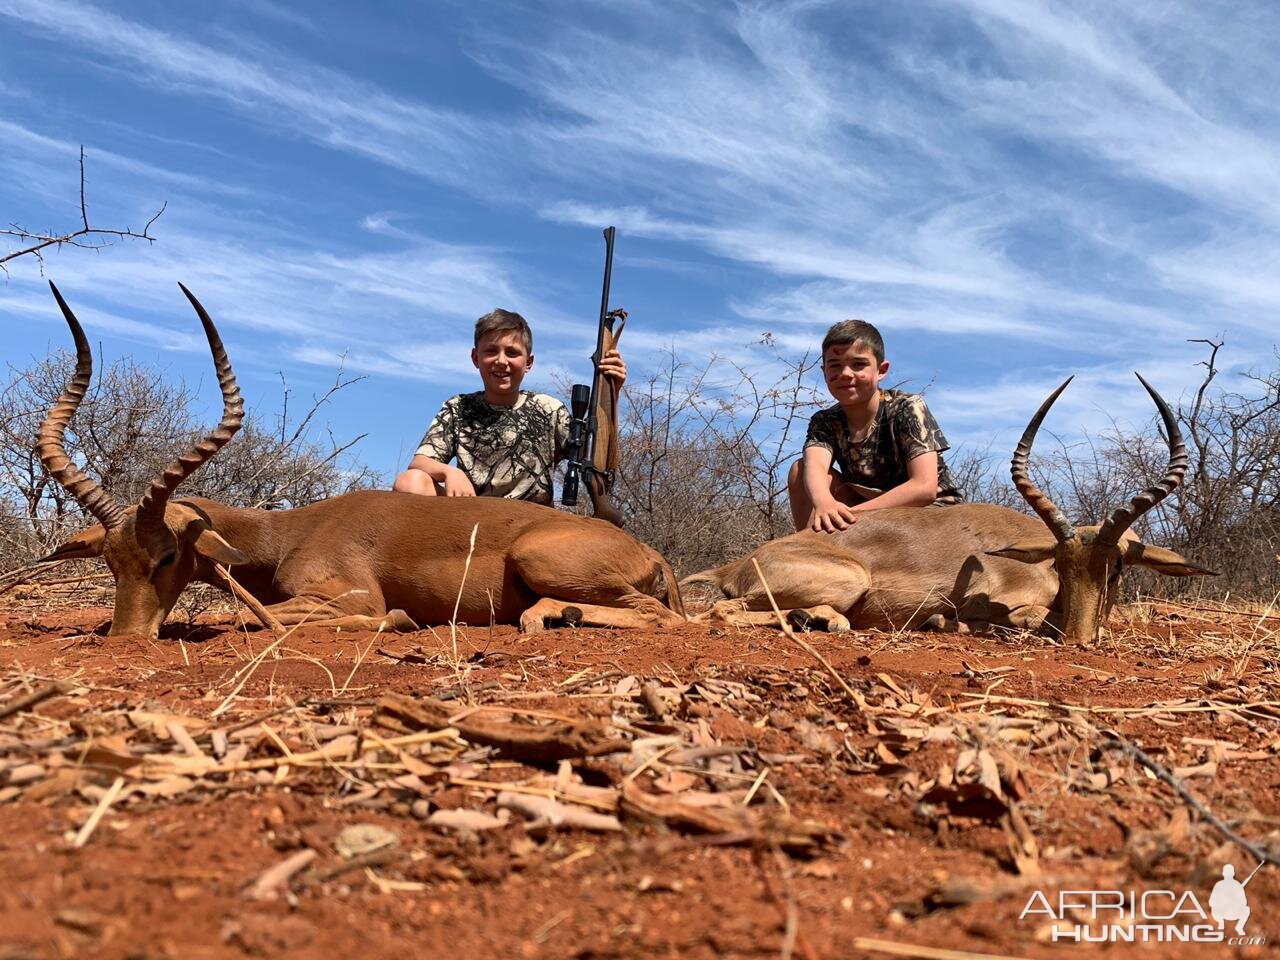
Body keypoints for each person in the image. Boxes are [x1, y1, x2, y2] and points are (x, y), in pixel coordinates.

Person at [393, 308, 626, 505]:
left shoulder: (548, 408)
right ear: (475, 358)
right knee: (410, 481)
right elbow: (419, 462)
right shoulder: (458, 407)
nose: (501, 361)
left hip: (530, 525)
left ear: (529, 363)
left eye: (512, 353)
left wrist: (612, 390)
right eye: (491, 351)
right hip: (470, 515)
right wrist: (449, 472)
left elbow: (596, 458)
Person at [789, 318, 962, 532]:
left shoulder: (907, 407)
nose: (845, 374)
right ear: (824, 372)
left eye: (858, 364)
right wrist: (825, 503)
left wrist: (852, 514)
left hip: (929, 511)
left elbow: (924, 488)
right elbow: (814, 464)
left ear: (881, 370)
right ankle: (809, 547)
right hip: (867, 506)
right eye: (835, 365)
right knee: (799, 470)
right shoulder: (824, 420)